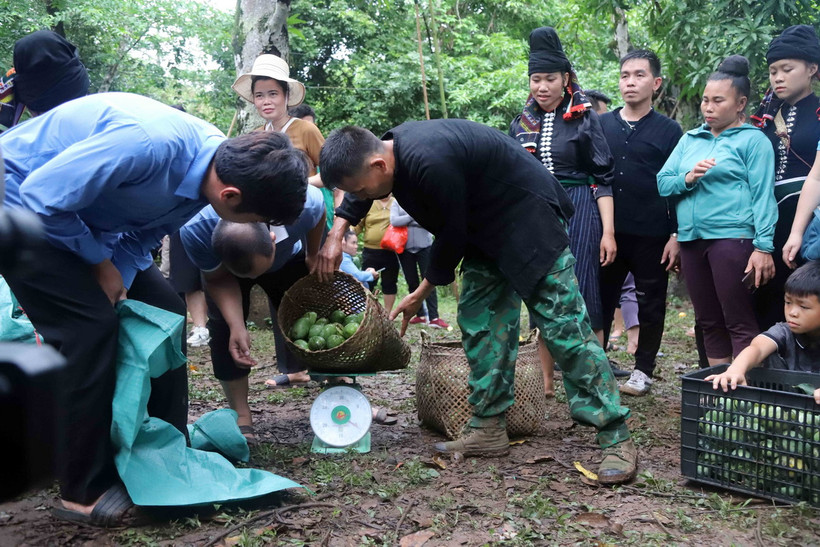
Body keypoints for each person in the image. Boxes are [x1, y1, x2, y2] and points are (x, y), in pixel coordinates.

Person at [0, 92, 308, 526]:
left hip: (82, 222)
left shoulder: (213, 176)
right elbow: (41, 195)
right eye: (250, 219)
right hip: (17, 201)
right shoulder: (146, 145)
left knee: (164, 311)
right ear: (231, 195)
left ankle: (163, 449)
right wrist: (98, 264)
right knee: (87, 328)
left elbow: (143, 237)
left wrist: (118, 280)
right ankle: (81, 490)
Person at [316, 120, 637, 484]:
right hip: (484, 231)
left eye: (360, 188)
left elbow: (451, 234)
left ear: (379, 166)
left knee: (565, 331)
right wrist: (336, 231)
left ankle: (615, 435)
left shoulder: (430, 161)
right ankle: (488, 426)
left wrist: (423, 290)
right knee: (481, 323)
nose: (361, 194)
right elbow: (363, 189)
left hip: (528, 221)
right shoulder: (383, 150)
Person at [508, 27, 619, 395]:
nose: (542, 87)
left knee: (585, 289)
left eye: (550, 79)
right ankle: (546, 381)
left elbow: (602, 176)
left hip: (581, 209)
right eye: (536, 79)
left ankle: (592, 379)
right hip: (536, 216)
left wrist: (608, 231)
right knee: (540, 290)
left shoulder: (585, 118)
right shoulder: (520, 124)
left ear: (565, 79)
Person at [179, 185, 324, 443]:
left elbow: (320, 211)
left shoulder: (301, 204)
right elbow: (217, 279)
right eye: (250, 277)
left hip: (287, 260)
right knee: (223, 328)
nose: (255, 281)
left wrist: (313, 254)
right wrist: (237, 326)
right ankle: (241, 414)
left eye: (256, 273)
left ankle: (340, 388)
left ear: (272, 240)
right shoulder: (196, 229)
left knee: (313, 316)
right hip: (226, 272)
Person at [658, 55, 778, 367]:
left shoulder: (754, 141)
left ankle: (747, 398)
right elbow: (662, 183)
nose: (708, 107)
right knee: (708, 320)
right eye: (705, 101)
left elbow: (763, 196)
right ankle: (719, 396)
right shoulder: (690, 138)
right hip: (691, 240)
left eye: (718, 101)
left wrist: (763, 246)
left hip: (732, 239)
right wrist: (688, 177)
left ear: (740, 104)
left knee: (737, 319)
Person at [233, 53, 323, 382]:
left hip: (309, 216)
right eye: (260, 95)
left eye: (273, 93)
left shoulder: (305, 129)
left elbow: (329, 171)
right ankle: (294, 369)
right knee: (280, 291)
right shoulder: (258, 134)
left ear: (286, 96)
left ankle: (329, 366)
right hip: (274, 223)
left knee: (313, 290)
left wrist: (297, 184)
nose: (266, 100)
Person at [599, 50, 683, 396]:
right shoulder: (601, 125)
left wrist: (676, 234)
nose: (630, 82)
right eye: (624, 75)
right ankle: (596, 365)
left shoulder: (669, 131)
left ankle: (643, 370)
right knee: (600, 299)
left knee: (651, 301)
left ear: (656, 83)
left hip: (652, 233)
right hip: (608, 233)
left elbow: (678, 186)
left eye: (638, 75)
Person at [750, 25, 820, 330]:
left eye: (787, 69)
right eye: (773, 71)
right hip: (768, 219)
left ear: (812, 69)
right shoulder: (763, 118)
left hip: (811, 220)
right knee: (767, 296)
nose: (777, 77)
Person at [705, 260, 820, 404]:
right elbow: (757, 348)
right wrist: (735, 369)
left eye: (804, 306)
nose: (792, 313)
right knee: (768, 353)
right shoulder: (785, 331)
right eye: (788, 302)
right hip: (785, 410)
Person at [390, 201, 449, 328]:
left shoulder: (422, 199)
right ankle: (420, 315)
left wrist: (406, 219)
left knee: (429, 280)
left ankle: (434, 317)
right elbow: (394, 221)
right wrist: (414, 216)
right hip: (405, 249)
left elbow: (430, 221)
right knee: (412, 282)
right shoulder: (397, 202)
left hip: (425, 248)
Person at [355, 195, 401, 313]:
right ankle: (365, 311)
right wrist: (346, 236)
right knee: (367, 281)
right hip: (370, 251)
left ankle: (387, 313)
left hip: (391, 250)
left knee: (390, 282)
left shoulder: (397, 202)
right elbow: (358, 225)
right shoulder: (369, 202)